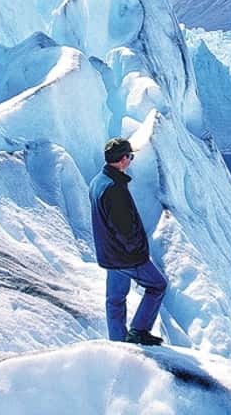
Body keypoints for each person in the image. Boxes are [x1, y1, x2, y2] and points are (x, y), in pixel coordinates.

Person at [89, 137, 167, 346]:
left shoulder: (97, 182)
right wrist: (139, 251)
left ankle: (118, 343)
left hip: (109, 255)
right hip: (126, 256)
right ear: (123, 159)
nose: (131, 160)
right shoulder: (114, 188)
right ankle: (139, 331)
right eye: (130, 156)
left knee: (115, 300)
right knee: (158, 285)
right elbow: (124, 227)